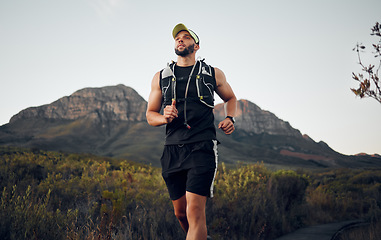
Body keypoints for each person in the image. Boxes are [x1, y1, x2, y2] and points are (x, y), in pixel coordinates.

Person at [146, 23, 237, 240]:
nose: (180, 40)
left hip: (201, 146)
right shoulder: (161, 76)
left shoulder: (212, 73)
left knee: (195, 211)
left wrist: (229, 117)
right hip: (172, 150)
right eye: (177, 37)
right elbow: (150, 115)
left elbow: (230, 98)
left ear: (196, 46)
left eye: (186, 37)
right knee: (180, 213)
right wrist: (164, 117)